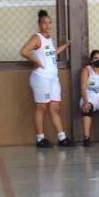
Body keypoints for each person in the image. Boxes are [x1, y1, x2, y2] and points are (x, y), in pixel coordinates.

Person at [19, 9, 72, 147]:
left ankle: (62, 138)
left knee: (55, 107)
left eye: (50, 23)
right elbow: (24, 51)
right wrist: (36, 62)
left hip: (53, 78)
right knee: (42, 107)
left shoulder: (49, 38)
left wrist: (66, 45)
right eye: (44, 23)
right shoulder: (37, 37)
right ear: (39, 24)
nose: (47, 25)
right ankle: (40, 139)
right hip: (41, 77)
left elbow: (51, 53)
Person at [77, 49, 99, 147]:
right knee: (87, 109)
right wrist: (86, 101)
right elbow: (83, 87)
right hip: (89, 97)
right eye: (96, 58)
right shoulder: (87, 70)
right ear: (91, 60)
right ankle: (86, 138)